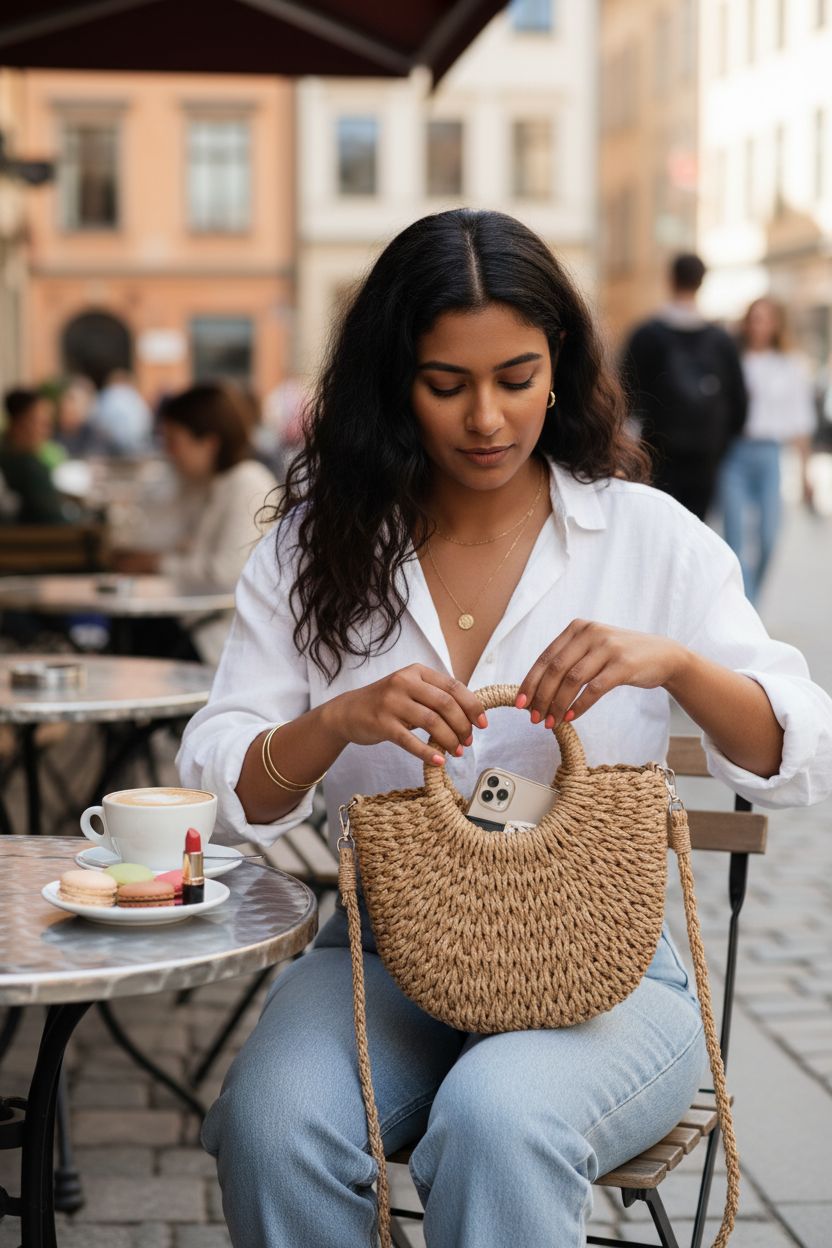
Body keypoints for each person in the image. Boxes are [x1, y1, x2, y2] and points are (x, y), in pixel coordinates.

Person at [178, 210, 832, 1248]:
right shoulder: (316, 548)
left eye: (516, 378)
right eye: (446, 385)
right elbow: (220, 790)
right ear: (395, 383)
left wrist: (675, 664)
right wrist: (336, 721)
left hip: (606, 973)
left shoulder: (645, 536)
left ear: (559, 367)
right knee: (272, 1124)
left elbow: (795, 754)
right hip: (382, 960)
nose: (486, 418)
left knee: (499, 1120)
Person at [112, 381, 277, 663]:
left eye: (174, 441)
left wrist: (155, 563)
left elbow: (227, 573)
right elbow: (158, 534)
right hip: (195, 626)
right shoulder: (209, 484)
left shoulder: (247, 484)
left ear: (210, 443)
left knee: (131, 640)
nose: (169, 452)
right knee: (128, 631)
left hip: (219, 639)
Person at [621, 253, 748, 520]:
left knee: (659, 522)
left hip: (658, 450)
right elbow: (739, 400)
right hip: (706, 451)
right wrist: (722, 443)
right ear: (702, 282)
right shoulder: (720, 340)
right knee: (696, 525)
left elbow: (625, 394)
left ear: (670, 280)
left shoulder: (646, 335)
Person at [718, 297, 817, 604]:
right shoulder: (734, 362)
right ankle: (746, 609)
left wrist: (806, 474)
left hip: (770, 455)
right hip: (735, 454)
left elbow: (801, 423)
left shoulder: (789, 365)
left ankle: (752, 599)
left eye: (764, 319)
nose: (757, 325)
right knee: (735, 538)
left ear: (776, 324)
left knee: (769, 536)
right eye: (753, 318)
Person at [0, 388, 70, 523]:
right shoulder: (28, 468)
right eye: (41, 423)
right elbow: (55, 521)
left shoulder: (15, 458)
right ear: (19, 424)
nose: (47, 430)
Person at [90, 369, 153, 456]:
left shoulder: (107, 396)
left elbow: (96, 421)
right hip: (135, 448)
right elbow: (145, 422)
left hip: (110, 449)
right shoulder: (134, 397)